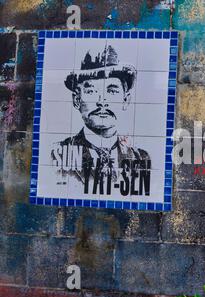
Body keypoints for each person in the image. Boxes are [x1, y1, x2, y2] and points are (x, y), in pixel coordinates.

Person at [50, 45, 151, 195]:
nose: (102, 101)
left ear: (126, 100)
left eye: (112, 91)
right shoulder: (55, 154)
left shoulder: (141, 158)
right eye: (91, 91)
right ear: (77, 100)